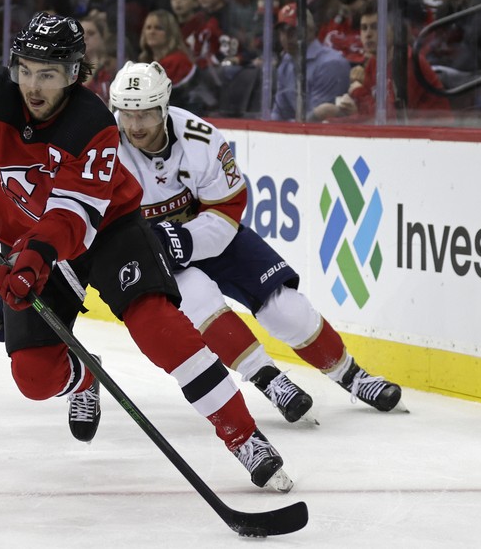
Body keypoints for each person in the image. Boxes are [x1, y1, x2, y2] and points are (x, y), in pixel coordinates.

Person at [0, 12, 293, 492]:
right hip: (31, 244)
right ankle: (84, 377)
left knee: (157, 325)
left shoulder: (92, 123)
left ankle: (244, 435)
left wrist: (33, 259)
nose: (33, 86)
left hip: (106, 231)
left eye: (48, 74)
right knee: (33, 377)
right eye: (26, 70)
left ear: (74, 74)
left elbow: (72, 220)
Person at [107, 60, 405, 423]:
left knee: (287, 308)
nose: (136, 126)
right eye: (127, 114)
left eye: (147, 115)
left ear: (165, 106)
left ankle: (351, 375)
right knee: (201, 301)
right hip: (156, 252)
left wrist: (183, 239)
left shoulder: (201, 139)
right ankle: (270, 380)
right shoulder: (106, 151)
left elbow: (227, 209)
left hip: (208, 232)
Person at [311, 1, 453, 123]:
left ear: (393, 30)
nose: (368, 34)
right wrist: (338, 115)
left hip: (433, 140)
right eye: (364, 28)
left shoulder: (407, 62)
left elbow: (392, 117)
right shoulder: (374, 62)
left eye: (375, 27)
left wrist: (358, 92)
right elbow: (366, 112)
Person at [271, 2, 351, 122]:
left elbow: (318, 120)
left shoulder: (330, 64)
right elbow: (279, 113)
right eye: (282, 31)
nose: (287, 36)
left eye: (292, 30)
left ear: (310, 30)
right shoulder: (286, 63)